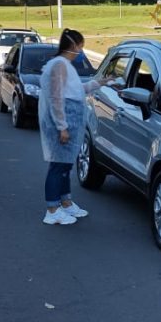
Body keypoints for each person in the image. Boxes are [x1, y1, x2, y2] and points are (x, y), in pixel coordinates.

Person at [38, 29, 116, 226]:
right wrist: (62, 127)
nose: (82, 50)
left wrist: (100, 83)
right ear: (73, 46)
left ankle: (65, 202)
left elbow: (75, 90)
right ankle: (52, 209)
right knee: (58, 166)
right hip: (62, 125)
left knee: (65, 166)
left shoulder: (65, 65)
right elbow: (56, 97)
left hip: (70, 123)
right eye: (81, 46)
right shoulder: (58, 66)